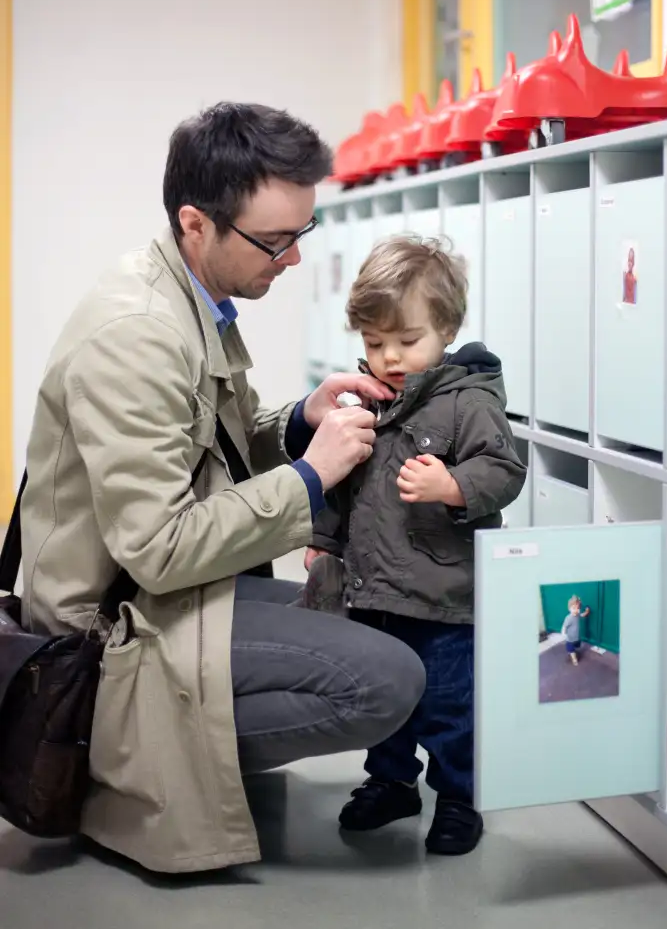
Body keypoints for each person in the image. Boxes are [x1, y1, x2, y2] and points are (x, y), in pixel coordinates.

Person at [19, 102, 427, 874]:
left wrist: (301, 423)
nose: (294, 259)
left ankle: (181, 750)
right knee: (388, 680)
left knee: (343, 608)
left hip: (151, 595)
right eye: (276, 241)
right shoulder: (139, 332)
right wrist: (311, 478)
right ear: (196, 223)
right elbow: (163, 548)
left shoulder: (194, 296)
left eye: (300, 234)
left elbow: (216, 450)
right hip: (109, 631)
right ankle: (131, 761)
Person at [304, 236, 527, 855]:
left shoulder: (469, 402)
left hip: (445, 598)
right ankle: (392, 782)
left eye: (407, 341)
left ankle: (459, 796)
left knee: (449, 706)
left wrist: (452, 485)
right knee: (385, 699)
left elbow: (505, 472)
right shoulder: (367, 402)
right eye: (375, 344)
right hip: (374, 590)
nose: (390, 357)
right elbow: (340, 481)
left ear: (447, 328)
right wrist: (322, 541)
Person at [561, 596, 591, 666]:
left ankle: (572, 651)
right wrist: (563, 633)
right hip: (570, 639)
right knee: (571, 650)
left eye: (578, 608)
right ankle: (574, 659)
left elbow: (582, 615)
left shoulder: (577, 615)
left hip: (576, 637)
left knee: (576, 646)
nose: (576, 610)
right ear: (569, 609)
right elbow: (564, 626)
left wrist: (587, 611)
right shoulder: (568, 618)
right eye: (574, 608)